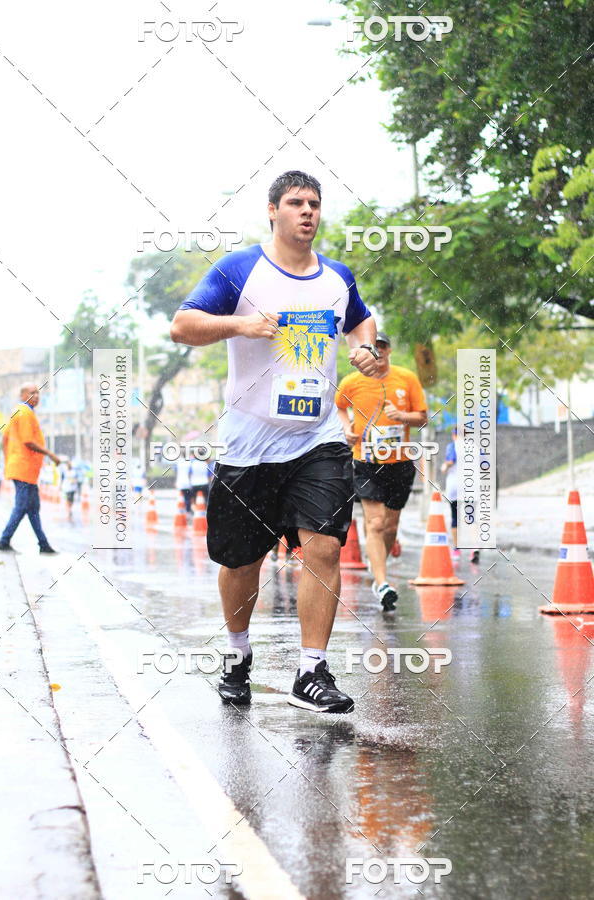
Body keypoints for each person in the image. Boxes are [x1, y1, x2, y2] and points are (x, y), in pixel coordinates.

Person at [171, 170, 379, 713]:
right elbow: (182, 325)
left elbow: (363, 322)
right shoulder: (239, 270)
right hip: (248, 444)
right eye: (295, 203)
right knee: (241, 561)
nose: (307, 212)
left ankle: (311, 672)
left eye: (314, 203)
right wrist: (242, 327)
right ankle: (238, 654)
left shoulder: (337, 278)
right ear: (272, 210)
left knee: (325, 547)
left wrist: (366, 349)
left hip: (318, 439)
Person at [335, 333, 427, 610]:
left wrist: (403, 417)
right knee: (375, 523)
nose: (379, 352)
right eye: (373, 348)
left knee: (390, 526)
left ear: (389, 350)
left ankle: (380, 571)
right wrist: (346, 428)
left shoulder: (406, 378)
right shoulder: (351, 382)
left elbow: (422, 417)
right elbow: (339, 407)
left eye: (383, 346)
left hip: (399, 462)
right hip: (366, 460)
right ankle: (382, 582)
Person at [0, 382, 60, 553]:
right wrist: (50, 454)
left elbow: (5, 439)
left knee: (33, 507)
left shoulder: (19, 412)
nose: (36, 396)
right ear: (23, 395)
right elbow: (27, 441)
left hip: (24, 469)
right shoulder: (24, 413)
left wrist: (9, 459)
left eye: (38, 393)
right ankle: (4, 540)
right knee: (22, 506)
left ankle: (43, 544)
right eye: (32, 393)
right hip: (23, 469)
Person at [441, 426, 459, 559]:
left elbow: (450, 462)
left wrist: (444, 466)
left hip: (455, 487)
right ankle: (474, 549)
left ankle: (457, 548)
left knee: (455, 517)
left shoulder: (452, 447)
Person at [61, 458, 78, 522]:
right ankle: (68, 510)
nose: (69, 465)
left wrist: (74, 481)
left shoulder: (74, 471)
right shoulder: (64, 471)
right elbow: (62, 478)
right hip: (67, 488)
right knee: (68, 499)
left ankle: (70, 508)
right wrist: (61, 486)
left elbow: (76, 478)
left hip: (73, 488)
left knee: (71, 500)